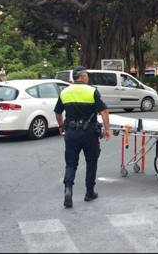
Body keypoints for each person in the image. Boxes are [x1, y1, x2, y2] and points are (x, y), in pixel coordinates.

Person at [54, 66, 111, 209]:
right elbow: (104, 111)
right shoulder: (91, 91)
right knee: (91, 162)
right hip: (89, 133)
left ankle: (68, 189)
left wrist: (61, 126)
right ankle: (89, 192)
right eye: (87, 75)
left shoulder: (65, 92)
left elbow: (58, 112)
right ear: (83, 76)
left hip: (71, 133)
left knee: (71, 163)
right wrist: (107, 129)